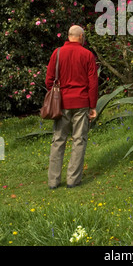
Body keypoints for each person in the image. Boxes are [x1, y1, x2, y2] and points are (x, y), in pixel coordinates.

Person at [46, 25, 98, 189]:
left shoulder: (58, 53)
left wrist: (56, 96)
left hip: (61, 104)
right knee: (79, 141)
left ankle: (53, 181)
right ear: (81, 36)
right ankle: (73, 180)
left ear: (69, 36)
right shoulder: (87, 55)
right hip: (81, 103)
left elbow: (49, 80)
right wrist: (93, 105)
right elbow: (93, 83)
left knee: (58, 141)